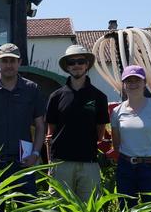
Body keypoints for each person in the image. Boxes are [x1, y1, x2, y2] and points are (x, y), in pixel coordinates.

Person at [0, 43, 46, 197]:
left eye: (12, 61)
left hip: (23, 162)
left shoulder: (31, 89)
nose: (9, 65)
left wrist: (35, 153)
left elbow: (40, 126)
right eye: (4, 60)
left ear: (19, 62)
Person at [45, 45, 110, 200]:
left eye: (80, 61)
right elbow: (50, 132)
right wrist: (50, 163)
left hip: (88, 162)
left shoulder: (99, 97)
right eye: (72, 62)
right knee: (59, 209)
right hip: (61, 163)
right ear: (67, 67)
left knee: (89, 210)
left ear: (87, 65)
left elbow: (100, 131)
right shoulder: (56, 96)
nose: (76, 65)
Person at [110, 65, 151, 212]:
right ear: (123, 85)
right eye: (129, 81)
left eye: (137, 80)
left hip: (150, 168)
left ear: (144, 83)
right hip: (125, 168)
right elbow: (116, 144)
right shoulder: (117, 112)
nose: (133, 84)